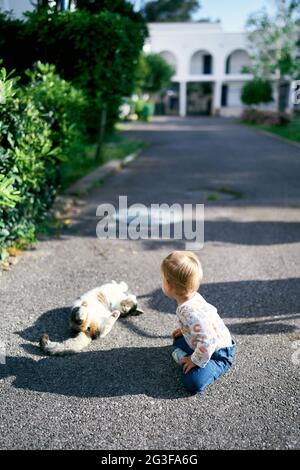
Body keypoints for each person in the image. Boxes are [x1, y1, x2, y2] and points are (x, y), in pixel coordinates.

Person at [160, 250, 235, 394]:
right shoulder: (192, 298)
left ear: (168, 286)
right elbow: (201, 326)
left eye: (162, 279)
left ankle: (218, 364)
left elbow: (209, 340)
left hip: (218, 352)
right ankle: (189, 354)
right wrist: (184, 331)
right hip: (210, 341)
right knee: (177, 340)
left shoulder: (189, 312)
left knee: (192, 382)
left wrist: (194, 361)